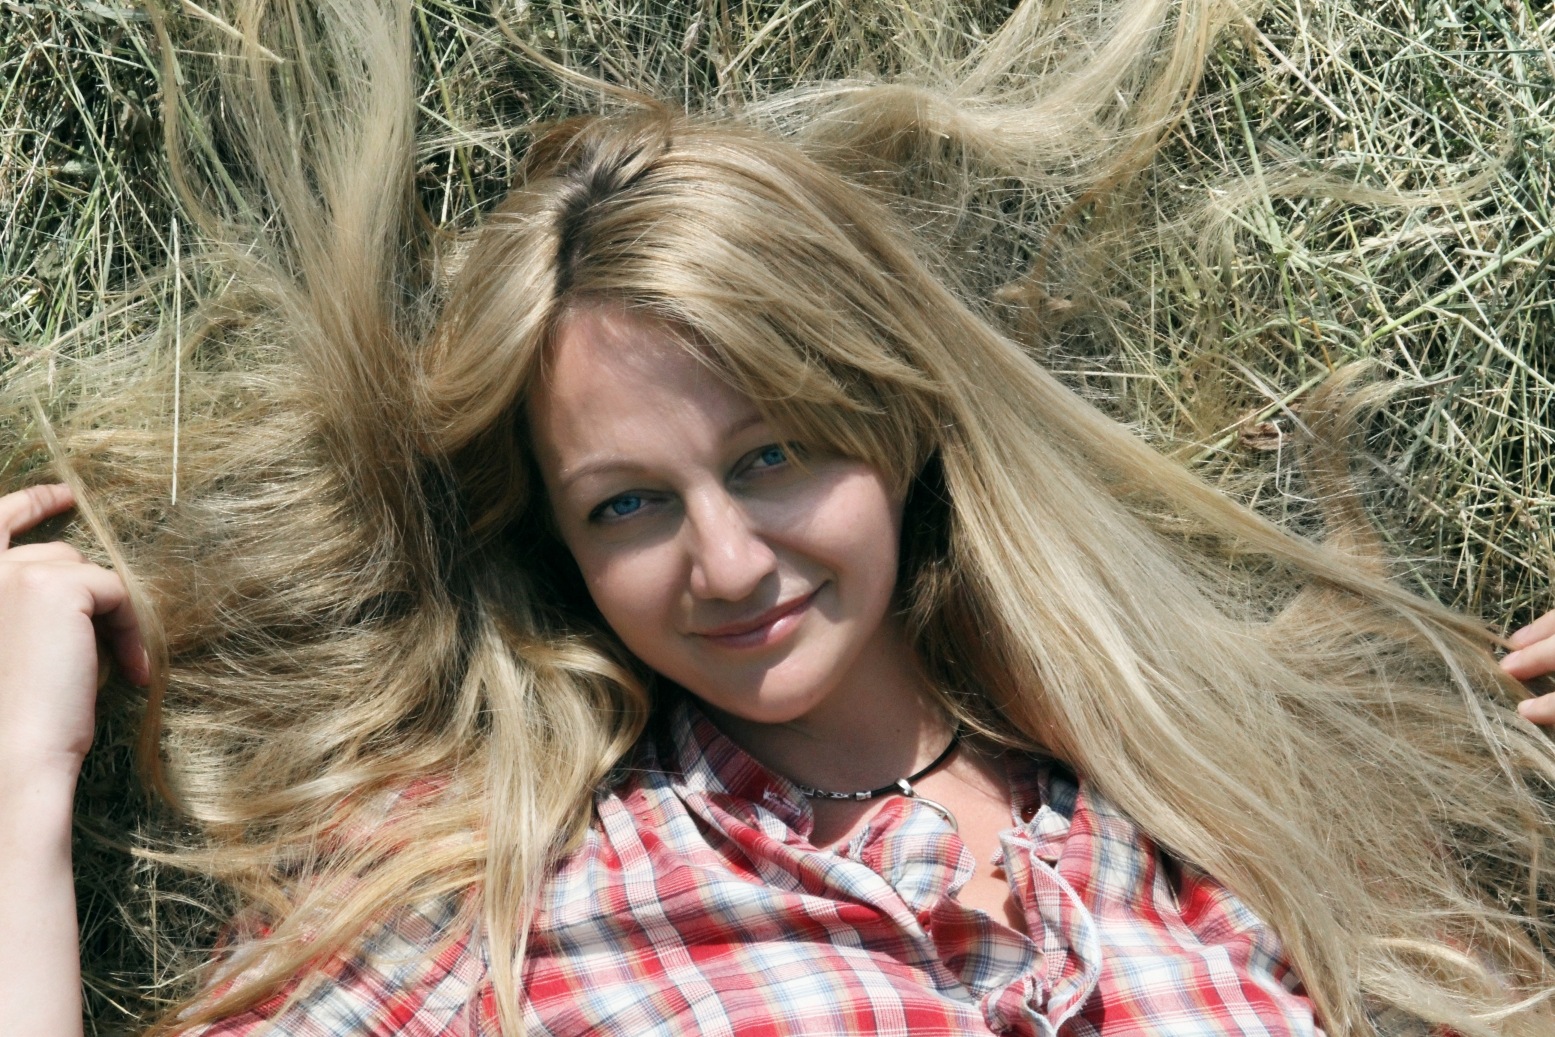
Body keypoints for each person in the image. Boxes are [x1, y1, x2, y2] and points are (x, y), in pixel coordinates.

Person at [3, 1, 1555, 1035]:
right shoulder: (502, 897)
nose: (730, 562)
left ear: (892, 416)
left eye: (771, 457)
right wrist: (19, 788)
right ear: (561, 545)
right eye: (628, 504)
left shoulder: (1227, 826)